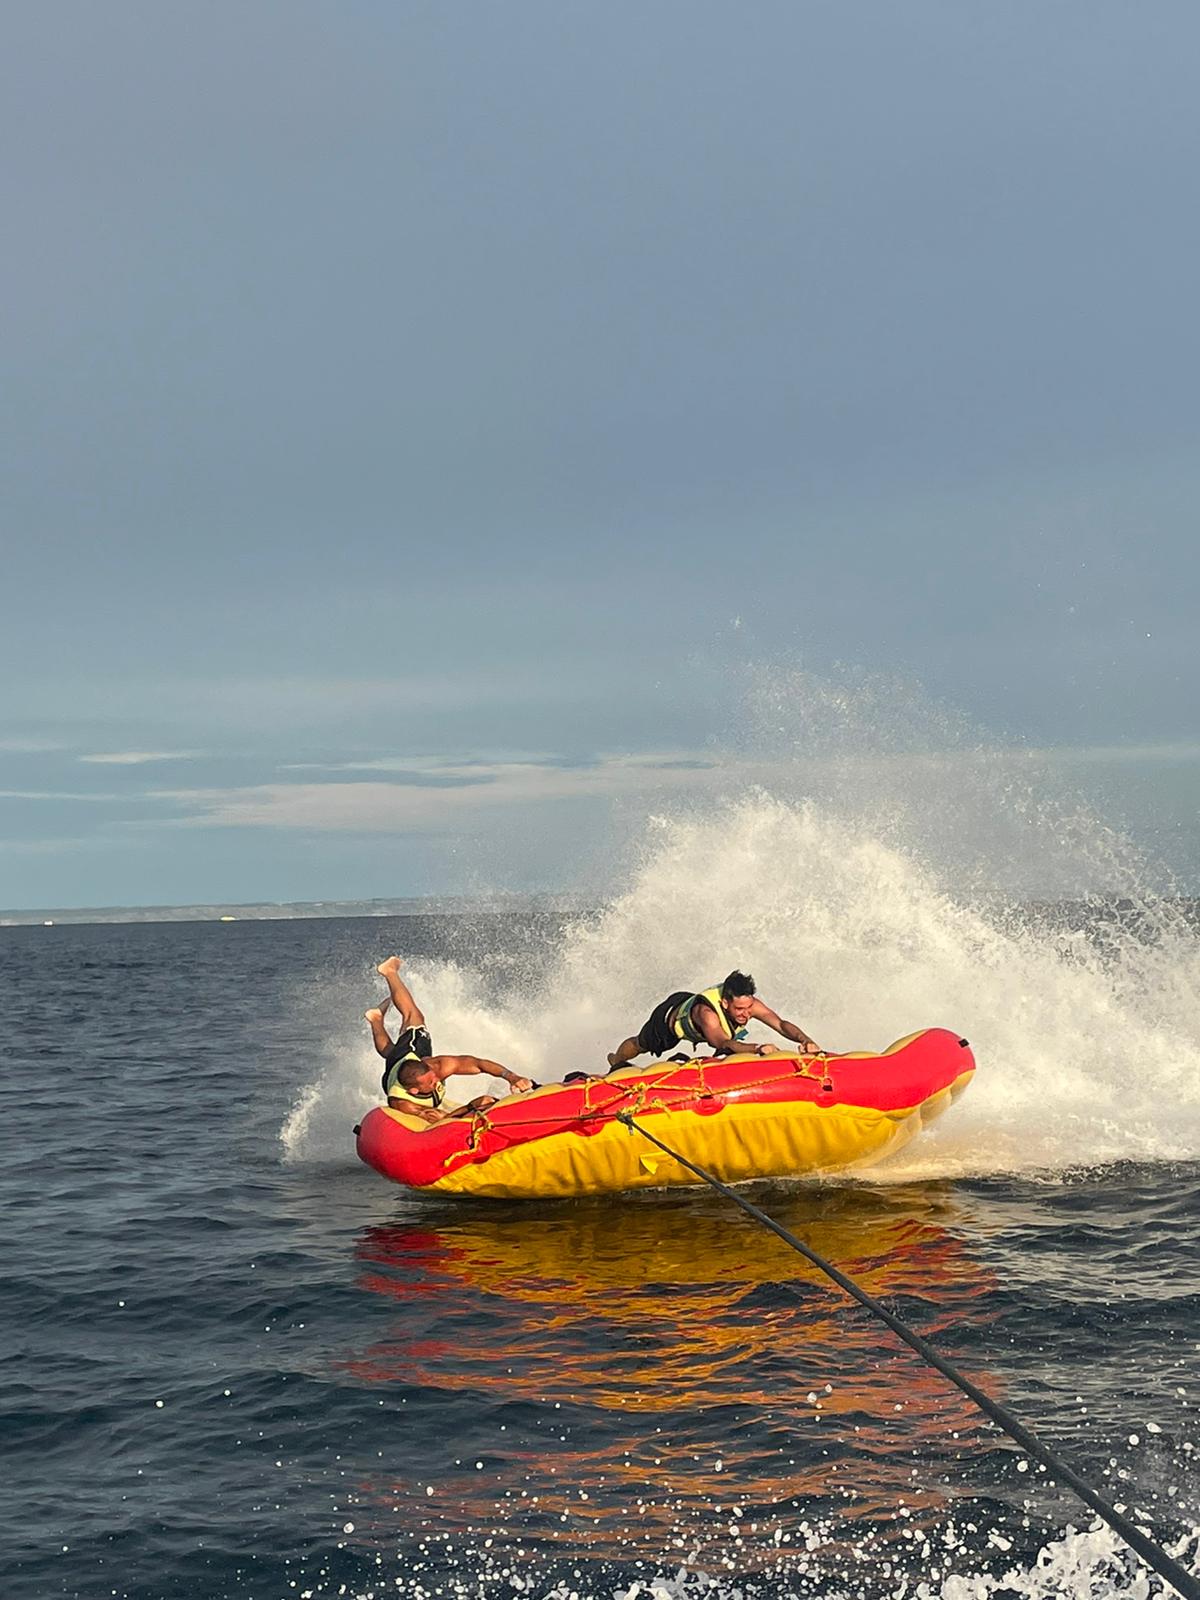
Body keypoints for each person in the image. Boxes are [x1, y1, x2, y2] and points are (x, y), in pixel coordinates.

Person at [364, 955, 533, 1116]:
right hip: (392, 1077)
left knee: (395, 1048)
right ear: (413, 1090)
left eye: (434, 1076)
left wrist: (511, 1077)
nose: (437, 1080)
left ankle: (376, 1019)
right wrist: (471, 1107)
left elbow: (478, 1064)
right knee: (412, 1015)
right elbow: (440, 1120)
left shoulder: (437, 1067)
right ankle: (389, 972)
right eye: (431, 1082)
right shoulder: (402, 1103)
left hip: (403, 1062)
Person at [606, 969, 825, 1070]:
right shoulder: (707, 1015)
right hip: (670, 1019)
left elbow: (780, 1024)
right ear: (725, 1003)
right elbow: (723, 1044)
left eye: (749, 1008)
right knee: (641, 1044)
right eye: (739, 1009)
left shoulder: (747, 1003)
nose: (745, 1015)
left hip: (700, 1014)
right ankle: (615, 1061)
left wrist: (804, 1039)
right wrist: (758, 1048)